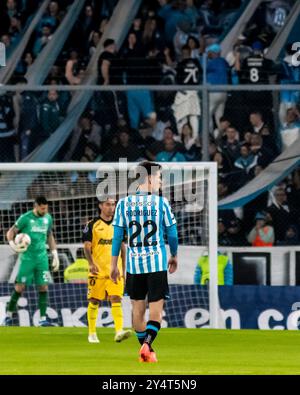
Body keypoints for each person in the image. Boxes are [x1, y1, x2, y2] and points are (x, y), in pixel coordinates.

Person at [111, 161, 178, 363]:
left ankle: (147, 350)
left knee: (137, 312)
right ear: (149, 178)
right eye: (159, 177)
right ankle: (147, 345)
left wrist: (114, 265)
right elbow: (172, 233)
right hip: (156, 264)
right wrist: (174, 254)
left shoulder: (123, 204)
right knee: (156, 311)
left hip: (133, 265)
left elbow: (117, 237)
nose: (160, 181)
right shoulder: (161, 203)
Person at [2, 196, 59, 326]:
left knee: (43, 287)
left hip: (42, 259)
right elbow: (11, 232)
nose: (44, 211)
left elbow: (50, 235)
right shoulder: (25, 218)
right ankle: (9, 316)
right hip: (27, 259)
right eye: (42, 208)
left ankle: (43, 319)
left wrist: (54, 254)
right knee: (19, 287)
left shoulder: (48, 218)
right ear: (36, 206)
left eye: (46, 208)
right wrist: (12, 244)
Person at [83, 197, 132, 344]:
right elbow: (86, 246)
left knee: (116, 298)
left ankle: (119, 331)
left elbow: (123, 248)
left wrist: (124, 270)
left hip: (114, 271)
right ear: (101, 206)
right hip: (97, 271)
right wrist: (91, 263)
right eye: (108, 205)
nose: (111, 207)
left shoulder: (120, 224)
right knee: (94, 301)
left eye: (113, 205)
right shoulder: (92, 225)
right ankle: (92, 333)